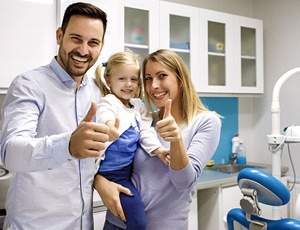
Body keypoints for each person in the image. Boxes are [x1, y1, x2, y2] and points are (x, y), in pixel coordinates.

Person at [0, 2, 110, 229]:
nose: (83, 50)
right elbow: (10, 151)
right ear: (60, 36)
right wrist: (68, 146)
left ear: (101, 46)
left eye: (93, 43)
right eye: (76, 39)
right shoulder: (29, 85)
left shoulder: (97, 92)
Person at [94, 49, 222, 230]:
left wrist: (176, 139)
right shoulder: (142, 119)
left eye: (162, 76)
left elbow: (183, 182)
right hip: (116, 223)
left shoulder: (206, 122)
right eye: (147, 78)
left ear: (180, 79)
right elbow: (112, 161)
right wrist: (99, 182)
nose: (154, 85)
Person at [94, 50, 170, 229]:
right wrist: (109, 127)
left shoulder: (138, 106)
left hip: (125, 174)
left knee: (136, 221)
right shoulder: (109, 101)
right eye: (122, 79)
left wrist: (158, 150)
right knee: (138, 222)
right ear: (109, 80)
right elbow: (104, 114)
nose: (128, 85)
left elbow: (146, 131)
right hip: (109, 175)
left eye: (134, 79)